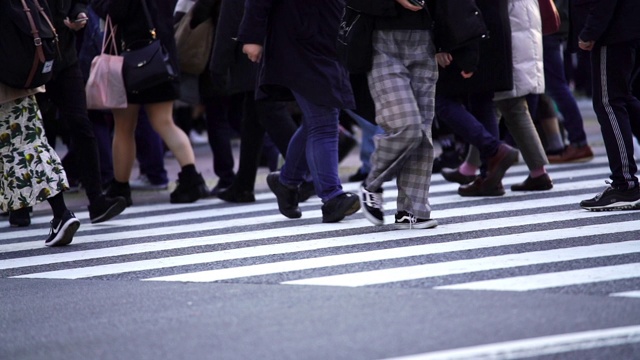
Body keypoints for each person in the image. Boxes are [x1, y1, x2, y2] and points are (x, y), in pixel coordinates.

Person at [237, 0, 361, 223]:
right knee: (324, 120)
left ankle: (286, 182)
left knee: (317, 120)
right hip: (298, 39)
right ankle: (332, 195)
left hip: (329, 37)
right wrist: (252, 36)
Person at [93, 0, 209, 205]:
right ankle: (191, 178)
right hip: (160, 55)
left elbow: (116, 10)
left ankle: (120, 188)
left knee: (124, 127)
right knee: (165, 122)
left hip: (130, 57)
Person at [28, 0, 127, 225]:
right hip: (31, 60)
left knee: (81, 124)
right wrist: (60, 23)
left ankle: (96, 199)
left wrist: (78, 14)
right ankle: (26, 206)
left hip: (65, 57)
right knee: (35, 133)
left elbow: (75, 2)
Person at [353, 0, 438, 229]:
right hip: (380, 39)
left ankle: (412, 210)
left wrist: (457, 43)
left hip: (426, 37)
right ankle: (372, 183)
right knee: (407, 125)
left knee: (422, 131)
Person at [436, 0, 520, 196]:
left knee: (443, 101)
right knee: (482, 101)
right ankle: (491, 177)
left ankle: (494, 150)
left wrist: (442, 44)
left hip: (469, 32)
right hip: (490, 26)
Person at [571, 0, 640, 211]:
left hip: (613, 31)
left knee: (608, 102)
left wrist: (590, 31)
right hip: (626, 26)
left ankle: (625, 183)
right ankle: (625, 182)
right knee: (624, 99)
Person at [1, 82, 80, 246]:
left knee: (23, 150)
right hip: (21, 84)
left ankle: (59, 214)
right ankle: (61, 213)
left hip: (8, 88)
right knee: (33, 146)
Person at [541, 0, 594, 163]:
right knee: (547, 88)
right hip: (550, 24)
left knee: (555, 86)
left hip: (547, 25)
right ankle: (567, 142)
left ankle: (578, 141)